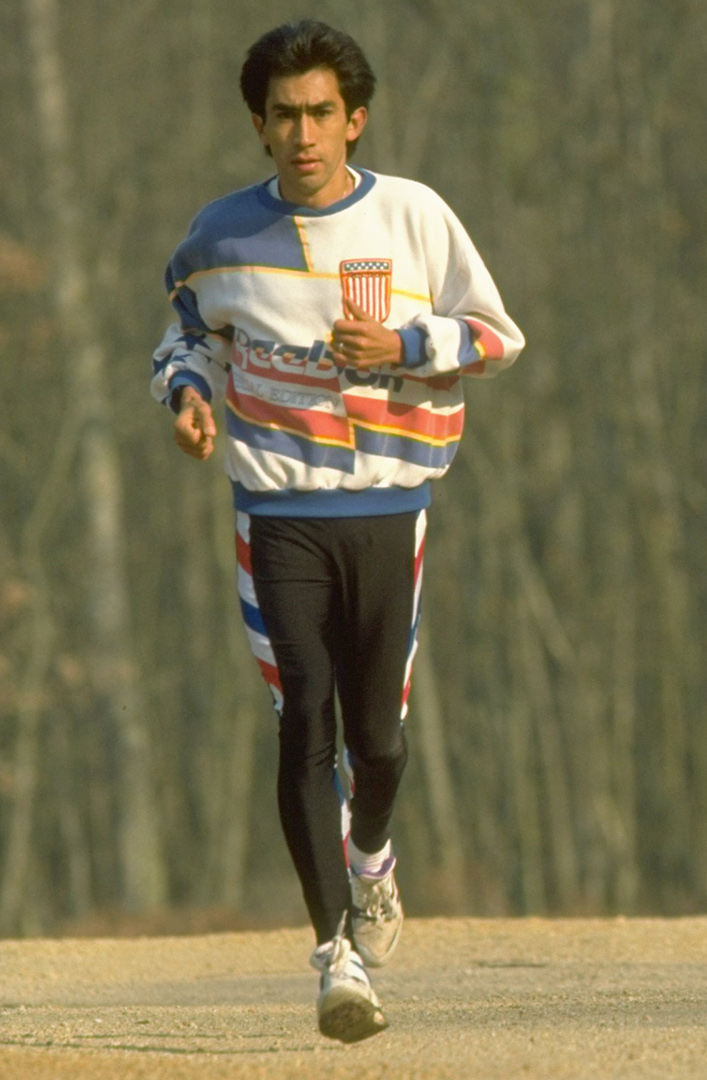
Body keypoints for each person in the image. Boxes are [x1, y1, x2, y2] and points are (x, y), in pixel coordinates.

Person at [148, 19, 523, 1043]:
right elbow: (182, 334)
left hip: (388, 506)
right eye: (283, 115)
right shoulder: (219, 235)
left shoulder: (415, 218)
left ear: (354, 120)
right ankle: (336, 959)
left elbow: (496, 337)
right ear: (259, 127)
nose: (303, 132)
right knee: (302, 720)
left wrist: (404, 340)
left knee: (381, 741)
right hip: (278, 512)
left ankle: (374, 865)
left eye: (321, 113)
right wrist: (186, 396)